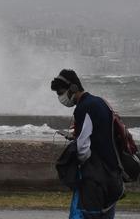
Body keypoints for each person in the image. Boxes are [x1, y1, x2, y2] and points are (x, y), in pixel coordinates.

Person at [51, 69, 123, 219]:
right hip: (112, 177)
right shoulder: (100, 102)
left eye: (61, 92)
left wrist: (80, 158)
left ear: (74, 88)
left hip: (95, 181)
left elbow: (83, 148)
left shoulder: (84, 108)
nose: (61, 97)